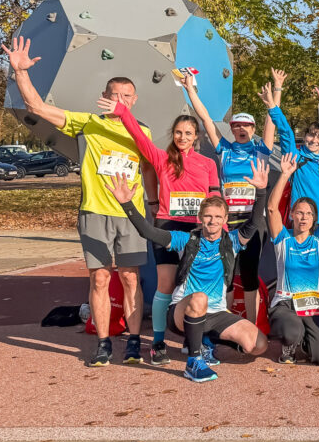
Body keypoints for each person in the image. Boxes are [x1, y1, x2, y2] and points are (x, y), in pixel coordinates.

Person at [3, 37, 149, 367]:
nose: (120, 101)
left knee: (130, 278)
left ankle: (135, 342)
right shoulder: (87, 123)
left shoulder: (143, 131)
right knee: (99, 278)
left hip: (130, 214)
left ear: (135, 100)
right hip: (95, 212)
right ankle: (102, 342)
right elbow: (37, 109)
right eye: (115, 96)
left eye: (126, 97)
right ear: (104, 98)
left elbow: (153, 166)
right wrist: (21, 74)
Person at [108, 161, 269, 383]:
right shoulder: (187, 239)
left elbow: (256, 221)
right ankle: (193, 361)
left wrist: (261, 191)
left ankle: (207, 339)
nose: (212, 222)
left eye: (218, 217)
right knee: (199, 298)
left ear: (225, 220)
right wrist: (127, 204)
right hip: (182, 312)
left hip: (216, 313)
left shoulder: (232, 241)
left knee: (258, 345)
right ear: (200, 218)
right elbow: (147, 231)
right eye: (208, 216)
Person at [101, 93, 221, 366]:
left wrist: (220, 228)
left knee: (197, 286)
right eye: (178, 132)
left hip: (198, 231)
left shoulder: (208, 163)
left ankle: (197, 340)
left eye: (188, 133)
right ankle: (157, 342)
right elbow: (139, 137)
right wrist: (122, 111)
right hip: (167, 226)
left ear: (196, 136)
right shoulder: (160, 158)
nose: (182, 137)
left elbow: (216, 200)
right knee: (165, 286)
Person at [178, 69, 276, 326]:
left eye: (246, 125)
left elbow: (272, 121)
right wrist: (190, 90)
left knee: (251, 273)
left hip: (253, 221)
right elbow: (207, 119)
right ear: (231, 129)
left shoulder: (261, 150)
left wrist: (274, 94)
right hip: (227, 222)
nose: (241, 129)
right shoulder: (224, 149)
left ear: (252, 128)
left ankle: (253, 327)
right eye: (237, 125)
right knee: (228, 273)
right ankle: (226, 323)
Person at [265, 78, 319, 314]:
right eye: (311, 135)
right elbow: (283, 129)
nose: (314, 140)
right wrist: (273, 105)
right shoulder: (295, 155)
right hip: (302, 225)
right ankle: (294, 314)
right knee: (299, 271)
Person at [268, 154, 319, 366]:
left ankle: (307, 341)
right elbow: (272, 209)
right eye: (299, 213)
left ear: (314, 218)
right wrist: (285, 174)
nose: (303, 218)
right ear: (291, 215)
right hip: (286, 303)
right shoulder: (283, 240)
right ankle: (290, 343)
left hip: (312, 304)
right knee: (292, 330)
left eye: (308, 214)